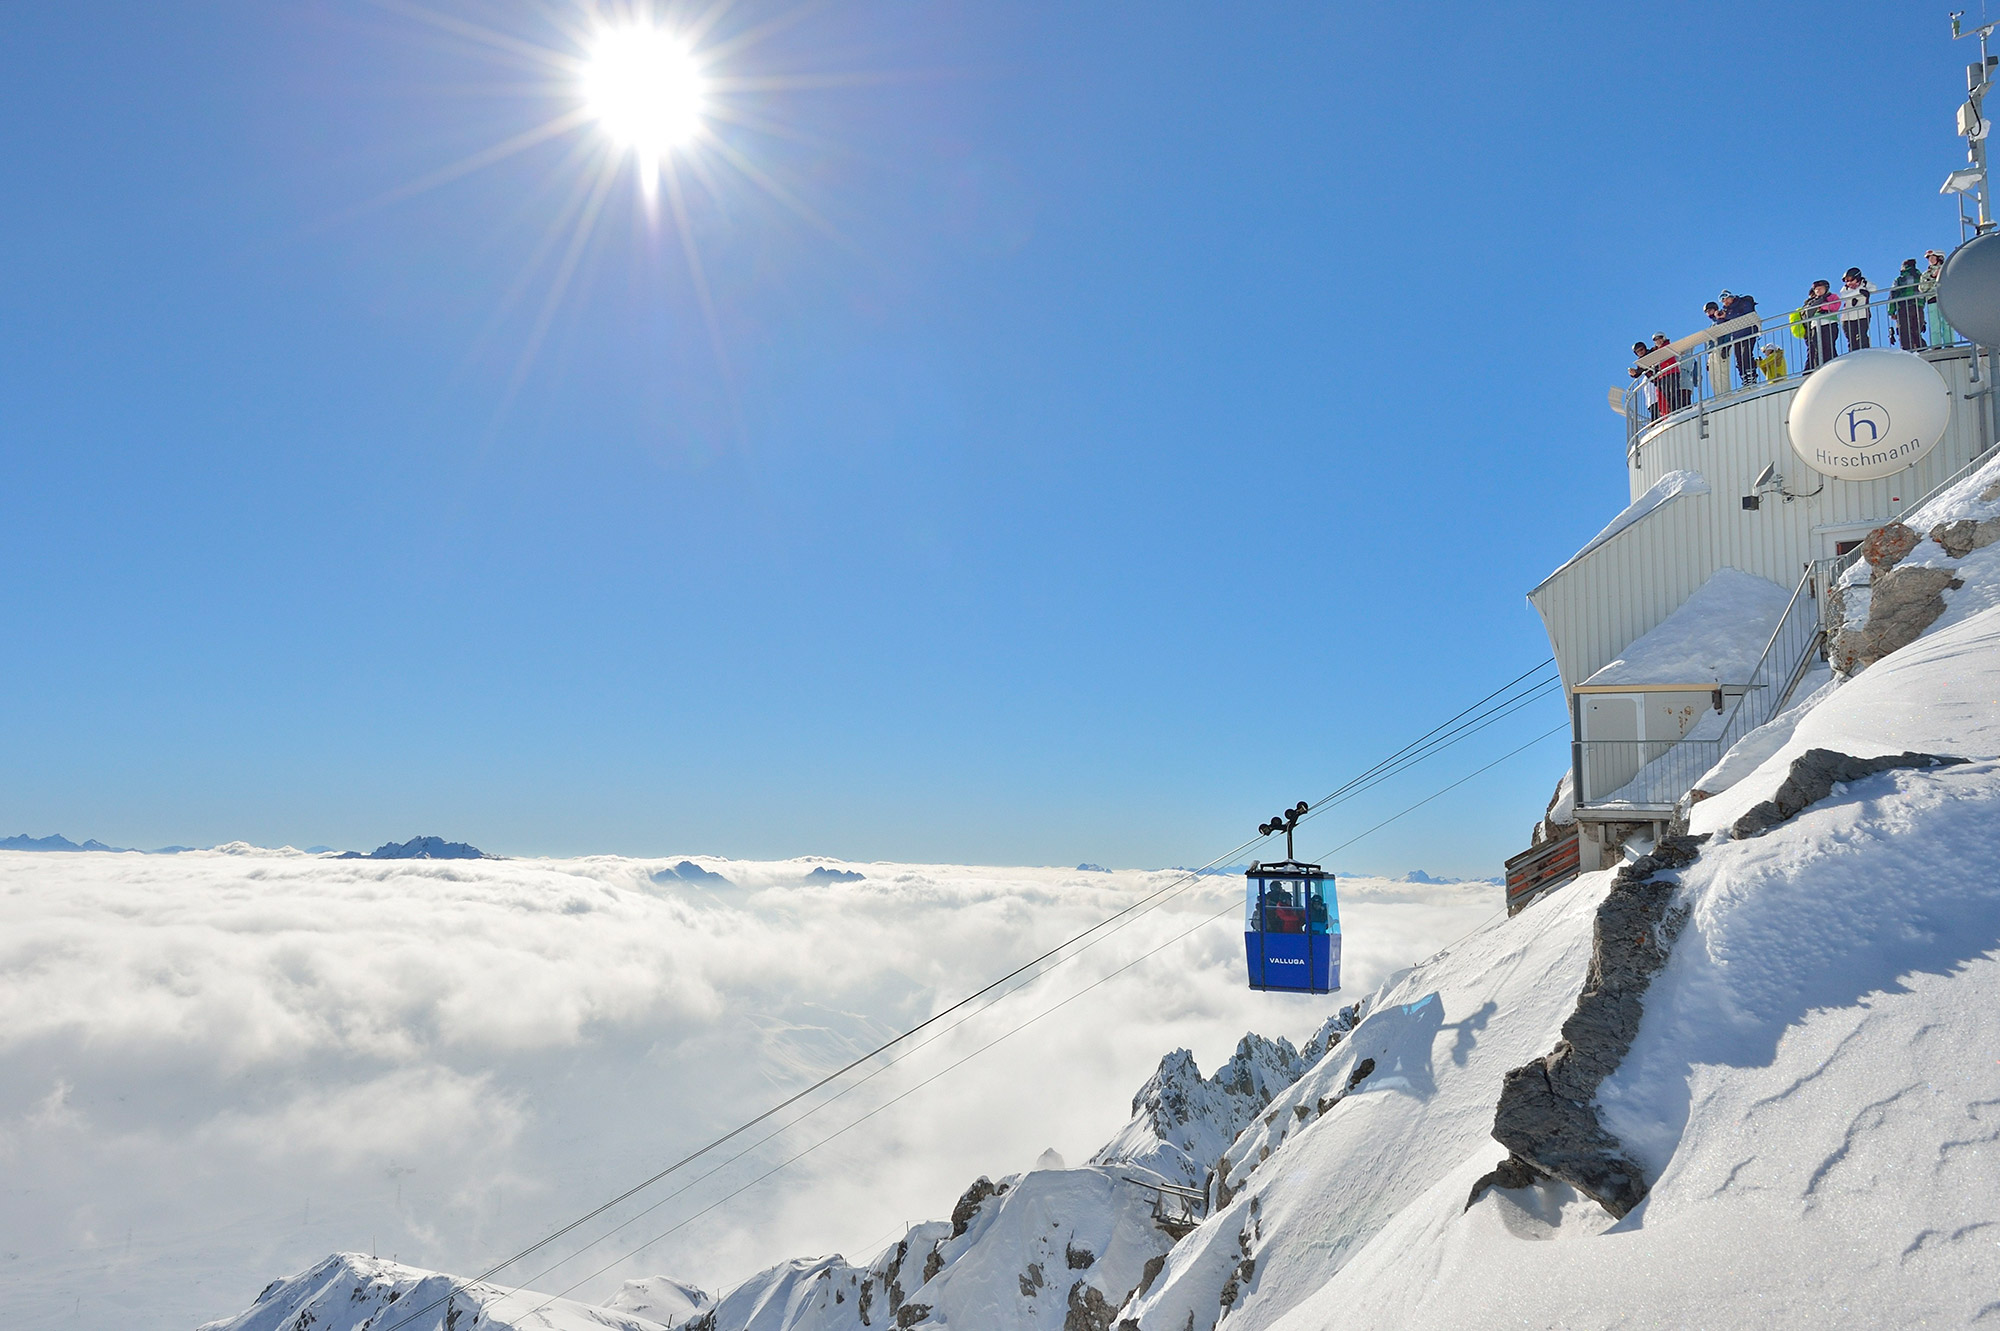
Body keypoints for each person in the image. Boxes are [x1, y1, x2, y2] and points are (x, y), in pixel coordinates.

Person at [1721, 289, 1760, 384]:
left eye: (1725, 298)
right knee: (1738, 358)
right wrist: (1719, 317)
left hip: (1748, 331)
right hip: (1736, 336)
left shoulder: (1743, 302)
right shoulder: (1726, 311)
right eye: (1722, 300)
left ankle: (1751, 376)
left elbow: (1746, 313)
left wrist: (1726, 316)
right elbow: (1722, 324)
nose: (1724, 301)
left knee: (1746, 354)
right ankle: (1744, 378)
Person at [1801, 279, 1840, 370]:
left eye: (1820, 288)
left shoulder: (1832, 296)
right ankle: (1818, 367)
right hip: (1815, 326)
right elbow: (1807, 313)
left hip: (1829, 323)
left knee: (1829, 345)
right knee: (1817, 348)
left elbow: (1835, 306)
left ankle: (1833, 365)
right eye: (1816, 289)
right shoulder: (1811, 301)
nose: (1818, 291)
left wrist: (1822, 306)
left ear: (1826, 288)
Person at [1889, 259, 1927, 350]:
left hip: (1904, 307)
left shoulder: (1900, 279)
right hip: (1918, 307)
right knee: (1916, 331)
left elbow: (1893, 294)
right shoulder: (1921, 277)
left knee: (1904, 332)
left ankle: (1908, 352)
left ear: (1904, 267)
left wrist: (1891, 311)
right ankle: (1922, 349)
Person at [1922, 249, 1955, 346]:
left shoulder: (1948, 269)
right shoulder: (1926, 274)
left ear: (1939, 258)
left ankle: (1949, 344)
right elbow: (1922, 288)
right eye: (1929, 258)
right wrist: (1932, 277)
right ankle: (1936, 345)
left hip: (1945, 299)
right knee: (1934, 324)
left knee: (1947, 323)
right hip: (1932, 299)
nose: (1931, 260)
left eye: (1933, 257)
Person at [1840, 267, 1875, 351]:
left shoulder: (1865, 284)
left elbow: (1873, 288)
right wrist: (1859, 292)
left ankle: (1866, 353)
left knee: (1862, 336)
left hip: (1862, 315)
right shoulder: (1845, 288)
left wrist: (1864, 288)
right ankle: (1853, 356)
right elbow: (1844, 296)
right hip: (1847, 318)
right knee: (1851, 339)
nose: (1849, 283)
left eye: (1851, 280)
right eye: (1846, 281)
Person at [1651, 332, 1688, 410]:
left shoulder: (1668, 346)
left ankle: (1678, 408)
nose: (1658, 341)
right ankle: (1673, 410)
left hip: (1672, 371)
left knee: (1674, 391)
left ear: (1663, 338)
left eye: (1660, 338)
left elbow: (1679, 351)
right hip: (1662, 375)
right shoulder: (1656, 352)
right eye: (1656, 340)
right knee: (1667, 395)